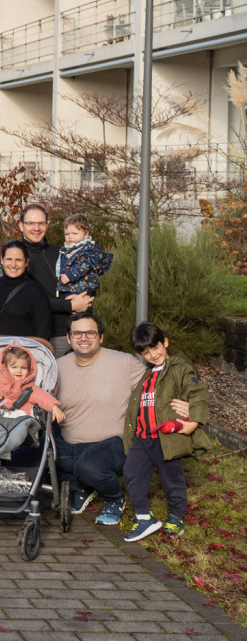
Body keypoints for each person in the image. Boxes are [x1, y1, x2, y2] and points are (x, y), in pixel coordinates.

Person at [54, 312, 145, 525]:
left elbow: (158, 386)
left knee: (89, 467)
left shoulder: (124, 363)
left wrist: (186, 404)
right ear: (68, 338)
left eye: (90, 333)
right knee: (33, 459)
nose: (83, 338)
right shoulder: (57, 367)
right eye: (77, 333)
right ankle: (81, 487)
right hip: (70, 444)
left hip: (113, 444)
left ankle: (113, 497)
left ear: (101, 337)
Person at [121, 322, 210, 542]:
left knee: (172, 478)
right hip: (142, 436)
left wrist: (193, 422)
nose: (152, 355)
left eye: (155, 347)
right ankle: (144, 517)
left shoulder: (179, 369)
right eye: (145, 352)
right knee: (132, 472)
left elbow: (197, 393)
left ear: (165, 342)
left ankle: (176, 516)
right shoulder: (147, 375)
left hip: (166, 437)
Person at [18, 204, 93, 355]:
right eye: (31, 223)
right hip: (38, 335)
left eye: (41, 223)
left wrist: (84, 298)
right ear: (21, 225)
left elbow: (86, 277)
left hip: (73, 331)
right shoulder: (17, 256)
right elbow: (27, 298)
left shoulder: (60, 252)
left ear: (47, 225)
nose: (36, 228)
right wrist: (70, 305)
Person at [0, 240, 52, 340]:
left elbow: (43, 330)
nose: (13, 264)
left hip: (22, 348)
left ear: (26, 262)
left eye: (18, 260)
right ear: (2, 260)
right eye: (9, 259)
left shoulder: (36, 290)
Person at [0, 346, 63, 422]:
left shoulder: (29, 387)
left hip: (15, 414)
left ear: (29, 370)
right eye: (14, 367)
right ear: (6, 367)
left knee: (21, 414)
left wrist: (53, 406)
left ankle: (12, 417)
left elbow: (42, 396)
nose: (19, 371)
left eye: (23, 368)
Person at [57, 213, 113, 309]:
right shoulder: (67, 249)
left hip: (83, 287)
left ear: (86, 233)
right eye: (67, 234)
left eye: (74, 233)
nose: (70, 237)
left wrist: (70, 275)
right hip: (70, 288)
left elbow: (86, 263)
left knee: (84, 310)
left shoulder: (89, 248)